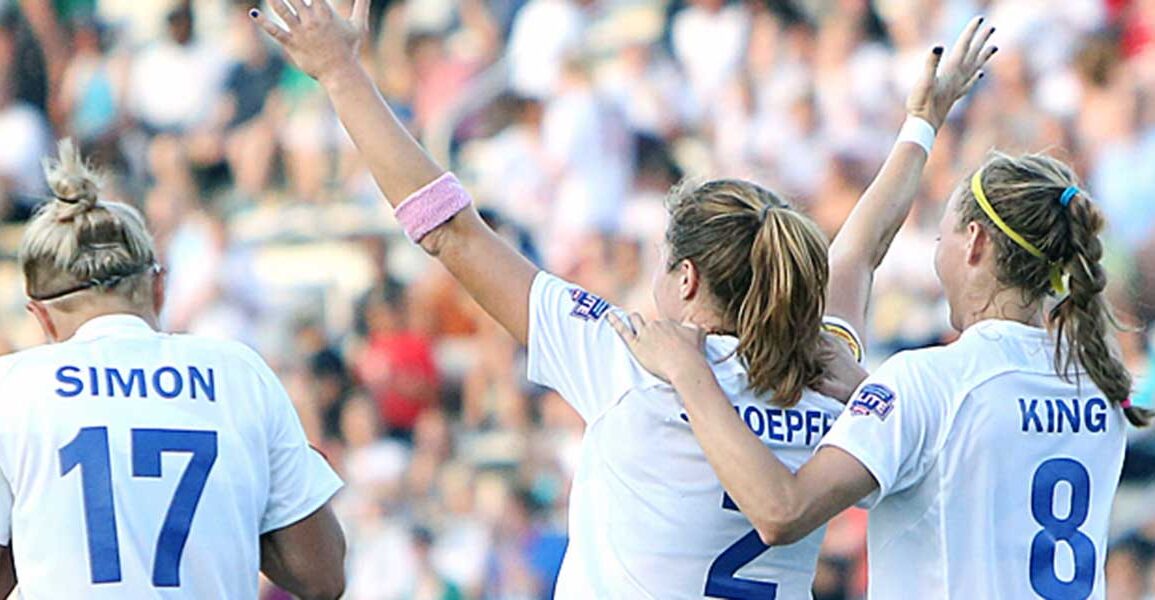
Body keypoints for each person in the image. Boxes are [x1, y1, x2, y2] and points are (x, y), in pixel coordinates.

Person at [250, 1, 991, 596]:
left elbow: (450, 232)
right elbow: (857, 252)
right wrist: (922, 122)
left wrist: (342, 74)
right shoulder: (824, 378)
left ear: (688, 280)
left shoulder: (630, 360)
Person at [611, 128, 1155, 598]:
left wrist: (690, 375)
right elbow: (973, 456)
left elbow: (782, 510)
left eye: (941, 235)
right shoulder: (1099, 391)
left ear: (974, 243)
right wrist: (869, 393)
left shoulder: (929, 382)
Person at [0, 140, 346, 599]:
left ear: (40, 315)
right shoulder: (238, 373)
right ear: (158, 287)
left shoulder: (15, 387)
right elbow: (322, 576)